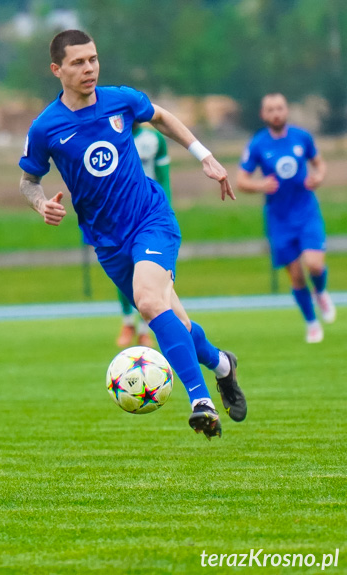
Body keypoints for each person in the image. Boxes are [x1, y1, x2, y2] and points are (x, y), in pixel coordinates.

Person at [19, 30, 247, 438]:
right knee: (172, 318)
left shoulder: (120, 99)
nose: (88, 68)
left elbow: (160, 117)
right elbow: (29, 180)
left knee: (146, 300)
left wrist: (204, 156)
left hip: (150, 219)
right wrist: (41, 204)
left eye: (93, 59)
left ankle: (200, 401)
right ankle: (223, 366)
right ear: (57, 69)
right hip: (108, 242)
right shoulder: (45, 128)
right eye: (77, 62)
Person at [237, 93, 335, 343]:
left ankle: (321, 292)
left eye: (280, 108)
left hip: (306, 211)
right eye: (270, 109)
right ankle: (312, 323)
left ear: (286, 110)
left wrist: (319, 177)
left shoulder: (302, 137)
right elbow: (241, 181)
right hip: (279, 218)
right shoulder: (258, 144)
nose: (276, 113)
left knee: (314, 264)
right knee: (296, 275)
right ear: (263, 115)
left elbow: (319, 165)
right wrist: (260, 185)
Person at [116, 122, 172, 348]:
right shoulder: (110, 137)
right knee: (123, 269)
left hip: (149, 213)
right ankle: (128, 322)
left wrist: (167, 212)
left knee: (148, 272)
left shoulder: (154, 139)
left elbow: (163, 177)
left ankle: (144, 328)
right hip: (120, 213)